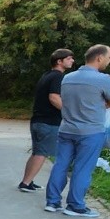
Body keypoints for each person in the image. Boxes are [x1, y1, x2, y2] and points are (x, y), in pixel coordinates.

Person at [45, 44, 110, 217]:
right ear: (99, 58)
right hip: (90, 131)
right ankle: (75, 206)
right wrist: (104, 103)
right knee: (83, 168)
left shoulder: (68, 78)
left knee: (60, 165)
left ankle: (52, 202)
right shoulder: (104, 79)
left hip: (66, 129)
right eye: (109, 57)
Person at [18, 48, 75, 193]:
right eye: (69, 58)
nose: (72, 61)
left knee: (37, 152)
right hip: (48, 122)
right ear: (59, 61)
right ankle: (25, 183)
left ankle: (27, 181)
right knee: (42, 153)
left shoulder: (47, 75)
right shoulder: (58, 77)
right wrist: (69, 113)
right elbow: (54, 97)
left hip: (38, 120)